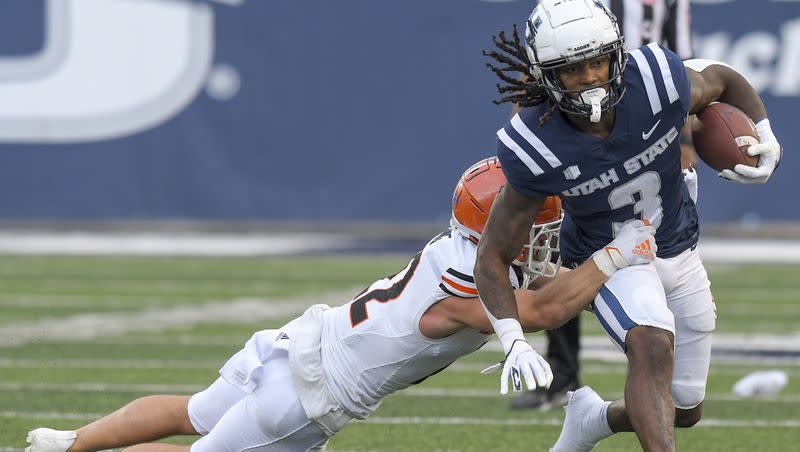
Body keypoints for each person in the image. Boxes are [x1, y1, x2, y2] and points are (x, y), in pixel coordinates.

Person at [25, 156, 657, 452]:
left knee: (189, 411)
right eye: (530, 223)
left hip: (296, 344)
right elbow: (542, 313)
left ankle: (71, 442)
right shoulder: (470, 285)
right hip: (308, 396)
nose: (541, 235)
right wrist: (617, 253)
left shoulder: (455, 248)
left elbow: (536, 291)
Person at [478, 0, 782, 451]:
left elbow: (722, 78)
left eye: (598, 62)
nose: (590, 78)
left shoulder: (655, 82)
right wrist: (512, 338)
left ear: (616, 54)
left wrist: (765, 130)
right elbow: (492, 255)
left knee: (685, 409)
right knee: (652, 345)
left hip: (678, 242)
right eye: (571, 70)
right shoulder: (536, 144)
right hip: (610, 258)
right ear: (546, 76)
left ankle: (593, 420)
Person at [509, 0, 697, 412]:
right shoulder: (564, 8)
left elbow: (680, 54)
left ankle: (655, 342)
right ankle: (562, 371)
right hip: (574, 126)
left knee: (657, 237)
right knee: (559, 248)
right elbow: (538, 67)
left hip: (637, 110)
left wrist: (683, 136)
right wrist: (539, 143)